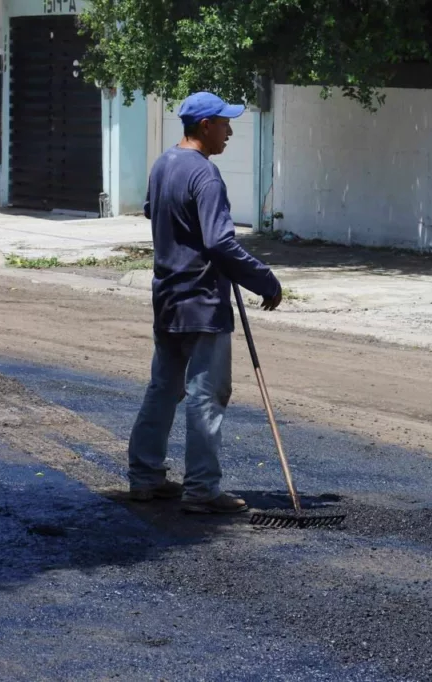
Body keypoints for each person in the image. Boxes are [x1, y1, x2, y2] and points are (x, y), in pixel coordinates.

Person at [127, 91, 283, 514]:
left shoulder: (164, 164)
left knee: (164, 388)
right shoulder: (206, 176)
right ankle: (201, 489)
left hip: (168, 298)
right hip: (202, 302)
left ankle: (144, 477)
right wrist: (265, 281)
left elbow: (151, 209)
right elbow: (219, 241)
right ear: (204, 126)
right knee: (205, 395)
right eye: (225, 123)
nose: (230, 131)